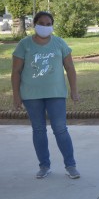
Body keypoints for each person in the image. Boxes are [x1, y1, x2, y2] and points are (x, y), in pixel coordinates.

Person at [11, 11, 81, 179]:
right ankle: (44, 166)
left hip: (55, 94)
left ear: (52, 26)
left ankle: (70, 165)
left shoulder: (59, 43)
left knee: (60, 129)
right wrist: (16, 96)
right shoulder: (24, 44)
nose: (45, 27)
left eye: (49, 24)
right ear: (35, 25)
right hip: (31, 95)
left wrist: (74, 90)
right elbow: (16, 71)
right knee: (39, 130)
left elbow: (70, 68)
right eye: (41, 23)